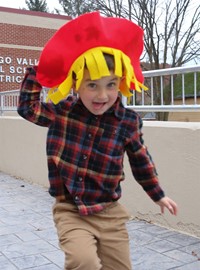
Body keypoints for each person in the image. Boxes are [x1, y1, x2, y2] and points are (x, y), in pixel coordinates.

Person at [17, 12, 178, 270]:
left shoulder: (127, 122)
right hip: (71, 210)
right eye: (92, 85)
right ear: (76, 85)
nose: (102, 95)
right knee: (84, 261)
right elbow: (28, 109)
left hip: (109, 212)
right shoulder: (63, 112)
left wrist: (158, 195)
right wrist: (40, 71)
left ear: (121, 83)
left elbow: (141, 161)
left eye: (111, 85)